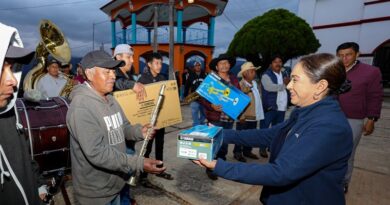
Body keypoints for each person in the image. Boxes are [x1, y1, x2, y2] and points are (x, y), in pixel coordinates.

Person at [194, 53, 353, 205]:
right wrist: (220, 133)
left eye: (295, 80)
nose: (289, 85)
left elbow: (280, 173)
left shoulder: (329, 127)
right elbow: (268, 135)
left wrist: (217, 165)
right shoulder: (303, 112)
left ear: (320, 86)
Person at [66, 50, 165, 205]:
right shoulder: (81, 106)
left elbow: (124, 127)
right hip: (96, 194)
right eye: (107, 72)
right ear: (89, 74)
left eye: (113, 71)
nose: (113, 76)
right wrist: (138, 163)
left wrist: (140, 131)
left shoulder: (111, 99)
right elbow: (97, 153)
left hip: (115, 184)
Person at [0, 22, 45, 205]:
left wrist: (38, 185)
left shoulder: (10, 113)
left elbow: (24, 158)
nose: (12, 80)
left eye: (12, 68)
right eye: (3, 68)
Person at [336, 42, 383, 193]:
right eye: (341, 55)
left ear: (357, 54)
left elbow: (375, 96)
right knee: (326, 150)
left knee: (347, 153)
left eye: (348, 54)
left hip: (353, 119)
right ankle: (327, 179)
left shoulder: (371, 72)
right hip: (330, 116)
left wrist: (372, 119)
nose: (344, 58)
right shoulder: (333, 70)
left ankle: (343, 182)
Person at [113, 43, 147, 205]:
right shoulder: (114, 74)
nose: (132, 60)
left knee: (126, 169)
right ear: (117, 58)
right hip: (119, 132)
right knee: (123, 169)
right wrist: (132, 85)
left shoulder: (127, 75)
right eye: (128, 57)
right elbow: (117, 83)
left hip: (128, 130)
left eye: (132, 57)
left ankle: (125, 198)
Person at [199, 53, 241, 178]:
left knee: (225, 141)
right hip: (215, 117)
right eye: (221, 63)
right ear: (216, 67)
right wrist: (211, 106)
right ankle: (210, 168)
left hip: (229, 117)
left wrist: (238, 109)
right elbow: (201, 98)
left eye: (227, 63)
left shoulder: (233, 79)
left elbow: (238, 97)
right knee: (214, 142)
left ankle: (221, 165)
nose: (224, 65)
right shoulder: (211, 80)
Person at [137, 52, 174, 187]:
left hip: (161, 120)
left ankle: (159, 170)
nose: (159, 66)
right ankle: (143, 176)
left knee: (160, 146)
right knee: (146, 148)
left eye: (161, 63)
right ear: (149, 64)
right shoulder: (142, 80)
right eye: (156, 63)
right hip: (148, 122)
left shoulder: (162, 78)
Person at [259, 55, 290, 158]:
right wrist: (284, 85)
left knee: (277, 129)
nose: (278, 64)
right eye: (275, 62)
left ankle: (272, 147)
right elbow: (269, 87)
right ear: (271, 64)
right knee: (265, 128)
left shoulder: (285, 73)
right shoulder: (266, 75)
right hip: (270, 106)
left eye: (280, 61)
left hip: (282, 107)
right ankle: (262, 148)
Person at [234, 62, 264, 161]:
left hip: (254, 115)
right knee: (240, 135)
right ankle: (237, 152)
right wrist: (240, 116)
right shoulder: (240, 84)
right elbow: (237, 102)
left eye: (254, 71)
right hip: (245, 116)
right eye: (252, 71)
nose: (254, 73)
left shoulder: (255, 83)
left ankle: (247, 151)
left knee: (251, 135)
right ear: (245, 73)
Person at [184, 61, 206, 126]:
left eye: (199, 65)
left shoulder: (205, 74)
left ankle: (201, 122)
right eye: (196, 65)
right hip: (194, 97)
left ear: (200, 66)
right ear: (194, 67)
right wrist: (185, 96)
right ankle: (196, 124)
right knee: (194, 111)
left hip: (204, 97)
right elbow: (187, 86)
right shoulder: (190, 75)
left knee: (204, 112)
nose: (198, 67)